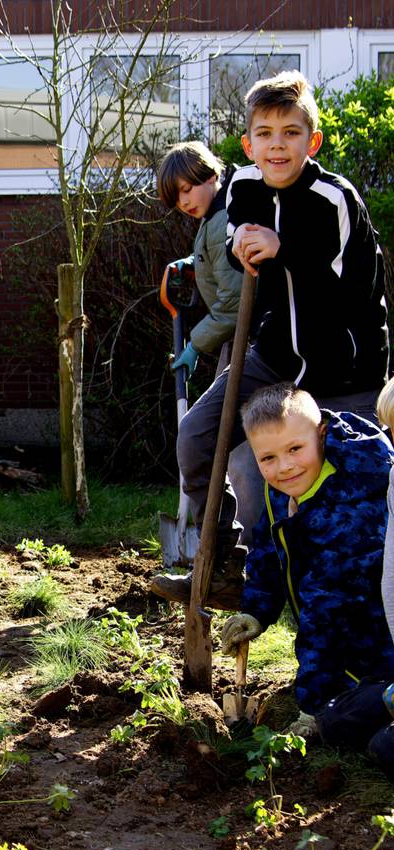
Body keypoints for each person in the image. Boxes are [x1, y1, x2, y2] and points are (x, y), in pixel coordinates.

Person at [151, 70, 389, 609]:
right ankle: (223, 565)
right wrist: (238, 243)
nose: (277, 145)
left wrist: (280, 247)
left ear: (313, 141)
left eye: (290, 132)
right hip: (277, 353)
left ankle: (360, 614)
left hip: (346, 366)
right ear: (248, 143)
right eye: (265, 133)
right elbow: (238, 228)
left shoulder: (335, 200)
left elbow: (339, 288)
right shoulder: (243, 186)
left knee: (351, 492)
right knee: (197, 437)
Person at [219, 384, 394, 774]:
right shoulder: (284, 487)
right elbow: (268, 548)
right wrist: (257, 611)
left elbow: (327, 612)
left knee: (345, 725)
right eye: (268, 458)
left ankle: (360, 702)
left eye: (295, 450)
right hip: (342, 638)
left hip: (375, 646)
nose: (284, 467)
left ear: (321, 434)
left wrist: (314, 702)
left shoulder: (351, 507)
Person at [157, 141, 264, 545]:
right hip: (237, 342)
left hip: (246, 343)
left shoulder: (222, 219)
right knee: (226, 448)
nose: (183, 201)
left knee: (231, 452)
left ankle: (242, 546)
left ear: (211, 175)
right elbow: (223, 265)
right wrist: (196, 262)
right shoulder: (219, 213)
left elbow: (236, 305)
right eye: (176, 197)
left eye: (187, 189)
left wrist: (194, 345)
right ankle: (237, 545)